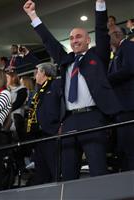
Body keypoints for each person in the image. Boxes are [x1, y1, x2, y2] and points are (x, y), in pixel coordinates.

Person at [23, 0, 121, 181]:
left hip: (93, 118)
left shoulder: (97, 56)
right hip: (68, 121)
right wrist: (33, 16)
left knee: (99, 172)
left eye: (79, 36)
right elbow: (49, 41)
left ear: (87, 40)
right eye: (72, 38)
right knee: (68, 175)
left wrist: (100, 4)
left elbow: (101, 30)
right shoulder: (65, 60)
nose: (75, 40)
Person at [26, 62, 62, 184]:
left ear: (44, 73)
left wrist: (61, 124)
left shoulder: (55, 84)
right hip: (38, 136)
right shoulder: (38, 91)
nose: (35, 75)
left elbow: (64, 104)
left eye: (37, 72)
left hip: (52, 133)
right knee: (41, 172)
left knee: (55, 170)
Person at [108, 21, 134, 171]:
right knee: (123, 149)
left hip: (129, 106)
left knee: (130, 149)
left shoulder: (129, 47)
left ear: (117, 35)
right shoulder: (117, 52)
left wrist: (105, 80)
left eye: (108, 36)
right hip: (121, 108)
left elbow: (130, 69)